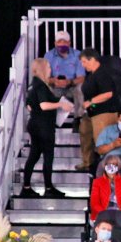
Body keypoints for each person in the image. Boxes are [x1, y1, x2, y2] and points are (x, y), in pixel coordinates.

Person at [22, 59, 74, 199]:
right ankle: (48, 187)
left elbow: (29, 106)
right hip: (43, 126)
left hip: (35, 124)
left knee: (34, 155)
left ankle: (26, 187)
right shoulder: (41, 86)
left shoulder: (33, 85)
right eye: (49, 67)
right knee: (48, 156)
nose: (50, 69)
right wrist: (60, 105)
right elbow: (44, 105)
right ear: (42, 68)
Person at [79, 49, 117, 171]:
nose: (82, 65)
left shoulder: (103, 74)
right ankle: (87, 162)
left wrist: (91, 101)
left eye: (84, 62)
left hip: (104, 112)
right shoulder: (91, 75)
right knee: (85, 133)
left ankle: (104, 165)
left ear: (93, 59)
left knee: (101, 140)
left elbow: (108, 93)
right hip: (91, 112)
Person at [44, 30, 86, 120]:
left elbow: (81, 78)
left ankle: (78, 119)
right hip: (55, 87)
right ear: (55, 43)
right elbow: (45, 78)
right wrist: (54, 81)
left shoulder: (77, 54)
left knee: (80, 88)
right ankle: (48, 118)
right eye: (59, 41)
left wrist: (69, 82)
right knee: (44, 86)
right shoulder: (48, 56)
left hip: (71, 86)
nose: (62, 44)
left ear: (69, 43)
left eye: (65, 42)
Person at [89, 155, 121, 220]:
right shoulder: (97, 182)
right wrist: (105, 214)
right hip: (102, 215)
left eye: (115, 165)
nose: (112, 167)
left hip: (120, 215)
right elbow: (94, 203)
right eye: (109, 164)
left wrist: (120, 214)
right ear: (105, 166)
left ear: (118, 167)